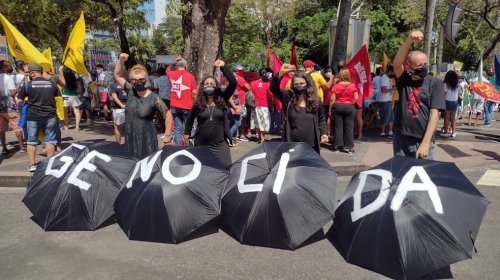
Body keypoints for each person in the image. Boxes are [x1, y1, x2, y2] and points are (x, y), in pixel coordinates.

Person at [392, 30, 445, 159]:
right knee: (401, 176)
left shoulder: (435, 83)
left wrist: (426, 142)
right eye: (419, 65)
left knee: (423, 177)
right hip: (401, 139)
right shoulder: (404, 80)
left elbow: (434, 114)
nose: (424, 67)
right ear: (409, 67)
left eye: (425, 64)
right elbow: (396, 64)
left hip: (422, 140)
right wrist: (409, 40)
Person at [114, 53, 172, 159]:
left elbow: (168, 114)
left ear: (146, 79)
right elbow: (118, 75)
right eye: (134, 80)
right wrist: (121, 61)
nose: (138, 82)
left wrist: (167, 135)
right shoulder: (130, 90)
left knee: (147, 166)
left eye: (141, 79)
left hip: (147, 138)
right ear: (131, 81)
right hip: (131, 136)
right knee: (132, 165)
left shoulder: (154, 97)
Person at [184, 60, 237, 168]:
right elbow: (190, 119)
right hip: (201, 145)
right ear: (203, 87)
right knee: (203, 172)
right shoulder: (198, 103)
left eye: (212, 84)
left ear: (216, 86)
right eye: (207, 84)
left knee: (225, 169)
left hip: (220, 145)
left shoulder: (223, 98)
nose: (209, 85)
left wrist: (224, 67)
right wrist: (186, 133)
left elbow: (233, 83)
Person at [270, 63, 329, 154]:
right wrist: (280, 74)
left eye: (302, 83)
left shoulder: (316, 101)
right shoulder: (288, 97)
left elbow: (321, 119)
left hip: (311, 145)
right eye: (296, 84)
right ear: (292, 85)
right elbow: (273, 88)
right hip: (291, 145)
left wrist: (324, 133)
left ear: (307, 83)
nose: (299, 86)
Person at [16, 63, 61, 172]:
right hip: (50, 115)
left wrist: (27, 104)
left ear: (32, 73)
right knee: (50, 140)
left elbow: (19, 100)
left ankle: (32, 164)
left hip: (33, 116)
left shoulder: (28, 85)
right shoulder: (53, 84)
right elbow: (59, 100)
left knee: (31, 141)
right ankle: (49, 164)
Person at [167, 58, 197, 146]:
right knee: (189, 127)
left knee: (177, 129)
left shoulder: (171, 74)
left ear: (177, 66)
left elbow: (167, 70)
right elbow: (194, 92)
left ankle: (178, 147)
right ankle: (189, 146)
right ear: (186, 66)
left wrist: (173, 62)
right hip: (187, 106)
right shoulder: (190, 76)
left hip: (174, 106)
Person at [329, 69, 359, 154]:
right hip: (349, 107)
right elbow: (356, 98)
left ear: (340, 76)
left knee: (338, 127)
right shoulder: (353, 86)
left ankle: (337, 147)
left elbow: (332, 99)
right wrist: (350, 101)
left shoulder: (336, 86)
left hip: (338, 106)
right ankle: (350, 148)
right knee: (349, 127)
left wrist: (330, 109)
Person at [0, 60, 25, 154]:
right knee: (17, 127)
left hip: (0, 107)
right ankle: (22, 147)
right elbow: (12, 93)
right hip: (9, 106)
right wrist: (18, 86)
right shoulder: (8, 78)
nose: (10, 68)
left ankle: (4, 148)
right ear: (4, 68)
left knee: (1, 129)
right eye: (8, 66)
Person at [250, 68, 273, 143]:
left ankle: (258, 137)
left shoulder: (254, 83)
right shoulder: (267, 84)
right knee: (264, 122)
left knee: (257, 121)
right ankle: (263, 138)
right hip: (264, 105)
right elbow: (271, 94)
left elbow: (252, 93)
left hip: (255, 105)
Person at [58, 66, 82, 131]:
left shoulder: (62, 78)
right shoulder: (74, 78)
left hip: (65, 96)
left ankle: (66, 126)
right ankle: (77, 127)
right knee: (76, 111)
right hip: (74, 96)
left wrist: (60, 71)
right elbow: (78, 88)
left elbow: (60, 87)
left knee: (65, 112)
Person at [234, 65, 251, 141]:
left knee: (236, 118)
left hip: (234, 101)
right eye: (240, 70)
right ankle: (242, 135)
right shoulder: (240, 78)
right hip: (241, 100)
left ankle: (237, 134)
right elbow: (248, 87)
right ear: (236, 71)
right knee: (242, 118)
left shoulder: (232, 78)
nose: (242, 71)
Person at [109, 79, 128, 144]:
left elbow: (114, 97)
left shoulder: (113, 85)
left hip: (119, 109)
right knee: (130, 128)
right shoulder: (129, 84)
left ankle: (118, 145)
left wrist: (122, 106)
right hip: (130, 107)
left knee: (117, 128)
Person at [441, 70, 459, 137]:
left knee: (446, 118)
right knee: (453, 118)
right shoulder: (457, 84)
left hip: (447, 101)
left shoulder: (446, 84)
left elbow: (444, 93)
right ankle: (453, 132)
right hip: (455, 101)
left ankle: (445, 132)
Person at [378, 67, 395, 137]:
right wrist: (392, 89)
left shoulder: (388, 78)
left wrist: (394, 87)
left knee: (391, 117)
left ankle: (390, 132)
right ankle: (382, 132)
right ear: (390, 71)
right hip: (384, 101)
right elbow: (383, 90)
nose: (394, 74)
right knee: (385, 117)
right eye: (393, 73)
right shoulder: (384, 78)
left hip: (388, 100)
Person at [155, 67, 172, 134]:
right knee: (168, 114)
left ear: (159, 73)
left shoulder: (157, 80)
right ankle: (168, 128)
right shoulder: (169, 79)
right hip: (169, 99)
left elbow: (156, 89)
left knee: (160, 114)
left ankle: (162, 128)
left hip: (161, 99)